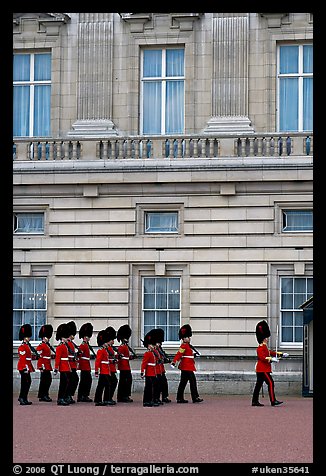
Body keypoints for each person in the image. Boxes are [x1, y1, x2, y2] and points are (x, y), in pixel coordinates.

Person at [252, 320, 289, 407]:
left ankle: (254, 401)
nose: (267, 339)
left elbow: (270, 353)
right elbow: (263, 358)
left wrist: (281, 354)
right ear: (263, 338)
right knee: (271, 383)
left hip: (262, 369)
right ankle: (273, 400)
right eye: (266, 337)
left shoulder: (264, 347)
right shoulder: (260, 348)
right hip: (263, 369)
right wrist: (272, 359)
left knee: (258, 385)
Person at [171, 324, 203, 404]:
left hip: (188, 366)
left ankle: (180, 398)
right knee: (192, 382)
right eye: (187, 337)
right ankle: (195, 397)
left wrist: (195, 355)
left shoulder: (188, 346)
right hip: (186, 367)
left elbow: (188, 355)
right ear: (183, 338)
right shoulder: (184, 346)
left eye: (188, 337)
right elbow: (179, 354)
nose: (188, 338)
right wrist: (174, 362)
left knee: (183, 382)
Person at [94, 329, 114, 406]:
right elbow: (98, 361)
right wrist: (97, 370)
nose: (107, 344)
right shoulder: (101, 351)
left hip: (106, 370)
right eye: (106, 342)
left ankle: (103, 399)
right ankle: (100, 400)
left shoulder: (105, 350)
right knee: (103, 385)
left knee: (103, 385)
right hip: (103, 370)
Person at [17, 323, 36, 405]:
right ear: (24, 337)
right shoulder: (22, 346)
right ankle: (22, 398)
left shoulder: (27, 346)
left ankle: (24, 398)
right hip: (23, 367)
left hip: (27, 366)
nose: (29, 338)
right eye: (27, 337)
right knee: (25, 382)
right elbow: (22, 359)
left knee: (27, 382)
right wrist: (25, 368)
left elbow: (29, 356)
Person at [36, 324, 55, 402]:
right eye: (47, 337)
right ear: (44, 337)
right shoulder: (41, 345)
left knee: (47, 380)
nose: (48, 339)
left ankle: (44, 394)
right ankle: (43, 395)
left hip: (47, 364)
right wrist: (40, 366)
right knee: (45, 380)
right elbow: (39, 356)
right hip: (44, 365)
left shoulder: (47, 345)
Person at [54, 323, 71, 406]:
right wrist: (56, 368)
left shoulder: (65, 346)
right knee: (63, 383)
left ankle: (63, 397)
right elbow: (57, 358)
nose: (67, 338)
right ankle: (60, 398)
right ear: (62, 337)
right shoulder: (60, 347)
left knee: (66, 382)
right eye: (65, 337)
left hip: (66, 366)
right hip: (62, 367)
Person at [140, 330, 160, 407]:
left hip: (153, 372)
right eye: (152, 344)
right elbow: (144, 364)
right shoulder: (147, 353)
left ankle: (152, 400)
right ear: (148, 345)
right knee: (148, 387)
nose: (153, 346)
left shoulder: (153, 353)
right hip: (148, 372)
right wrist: (143, 372)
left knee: (154, 386)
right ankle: (146, 401)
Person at [116, 324, 135, 403]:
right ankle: (122, 396)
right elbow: (119, 356)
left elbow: (126, 356)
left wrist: (131, 357)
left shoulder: (126, 346)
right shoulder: (122, 347)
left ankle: (125, 395)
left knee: (127, 380)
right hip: (123, 366)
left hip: (126, 365)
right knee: (124, 381)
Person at [152, 328, 171, 403]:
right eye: (158, 343)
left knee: (164, 383)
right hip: (156, 370)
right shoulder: (154, 351)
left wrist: (166, 359)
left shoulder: (160, 350)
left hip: (161, 369)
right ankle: (156, 398)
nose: (159, 344)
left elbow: (163, 357)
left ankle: (164, 396)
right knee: (158, 385)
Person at [77, 322, 94, 402]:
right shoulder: (83, 345)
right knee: (84, 381)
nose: (88, 338)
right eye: (87, 336)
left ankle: (84, 395)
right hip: (84, 365)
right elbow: (80, 356)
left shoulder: (86, 345)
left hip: (87, 365)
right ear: (84, 337)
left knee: (87, 380)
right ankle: (81, 396)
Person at [65, 320, 80, 404]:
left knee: (74, 380)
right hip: (69, 365)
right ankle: (67, 395)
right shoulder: (66, 344)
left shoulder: (71, 343)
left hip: (73, 365)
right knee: (71, 380)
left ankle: (70, 395)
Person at [105, 326, 118, 404]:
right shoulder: (107, 348)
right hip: (108, 368)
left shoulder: (110, 348)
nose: (113, 341)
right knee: (110, 383)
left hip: (111, 368)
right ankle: (107, 398)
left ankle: (109, 397)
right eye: (112, 340)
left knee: (113, 382)